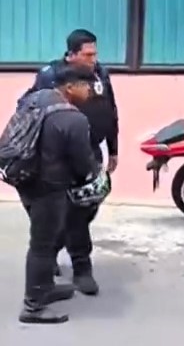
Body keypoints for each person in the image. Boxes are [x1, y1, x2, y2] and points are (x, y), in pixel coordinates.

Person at [18, 29, 119, 295]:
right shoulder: (50, 75)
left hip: (89, 150)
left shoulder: (101, 74)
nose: (94, 59)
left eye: (95, 53)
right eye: (88, 54)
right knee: (64, 215)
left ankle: (55, 255)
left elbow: (111, 110)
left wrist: (113, 149)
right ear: (72, 54)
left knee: (85, 209)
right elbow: (28, 109)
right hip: (56, 159)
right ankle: (77, 267)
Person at [16, 65, 100, 324]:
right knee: (43, 246)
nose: (91, 91)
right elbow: (84, 165)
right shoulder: (73, 118)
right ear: (70, 87)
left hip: (25, 179)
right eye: (86, 86)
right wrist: (94, 172)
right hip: (49, 188)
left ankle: (45, 289)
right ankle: (33, 307)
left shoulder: (36, 99)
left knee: (45, 239)